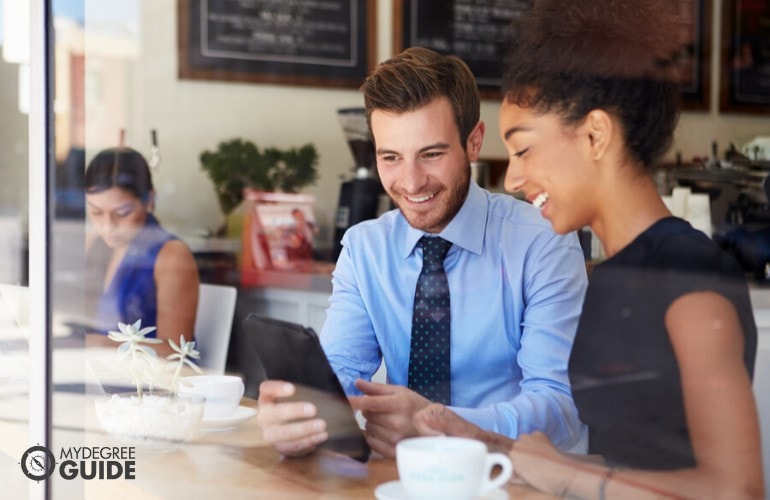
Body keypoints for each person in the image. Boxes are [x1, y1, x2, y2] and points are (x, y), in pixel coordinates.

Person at [412, 1, 764, 498]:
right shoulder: (613, 275)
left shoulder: (687, 271)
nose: (512, 177)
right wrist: (485, 442)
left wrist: (564, 473)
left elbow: (736, 489)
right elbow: (633, 462)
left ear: (596, 134)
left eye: (524, 148)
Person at [257, 47, 588, 459]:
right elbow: (339, 372)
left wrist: (441, 424)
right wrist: (300, 412)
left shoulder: (543, 241)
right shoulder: (365, 250)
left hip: (511, 476)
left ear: (473, 142)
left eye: (431, 154)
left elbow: (560, 405)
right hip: (403, 475)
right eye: (391, 158)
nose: (411, 183)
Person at [84, 146, 200, 357]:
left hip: (148, 386)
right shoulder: (94, 244)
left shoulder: (172, 256)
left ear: (150, 201)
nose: (108, 226)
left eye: (122, 213)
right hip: (97, 375)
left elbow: (175, 355)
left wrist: (99, 345)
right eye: (96, 212)